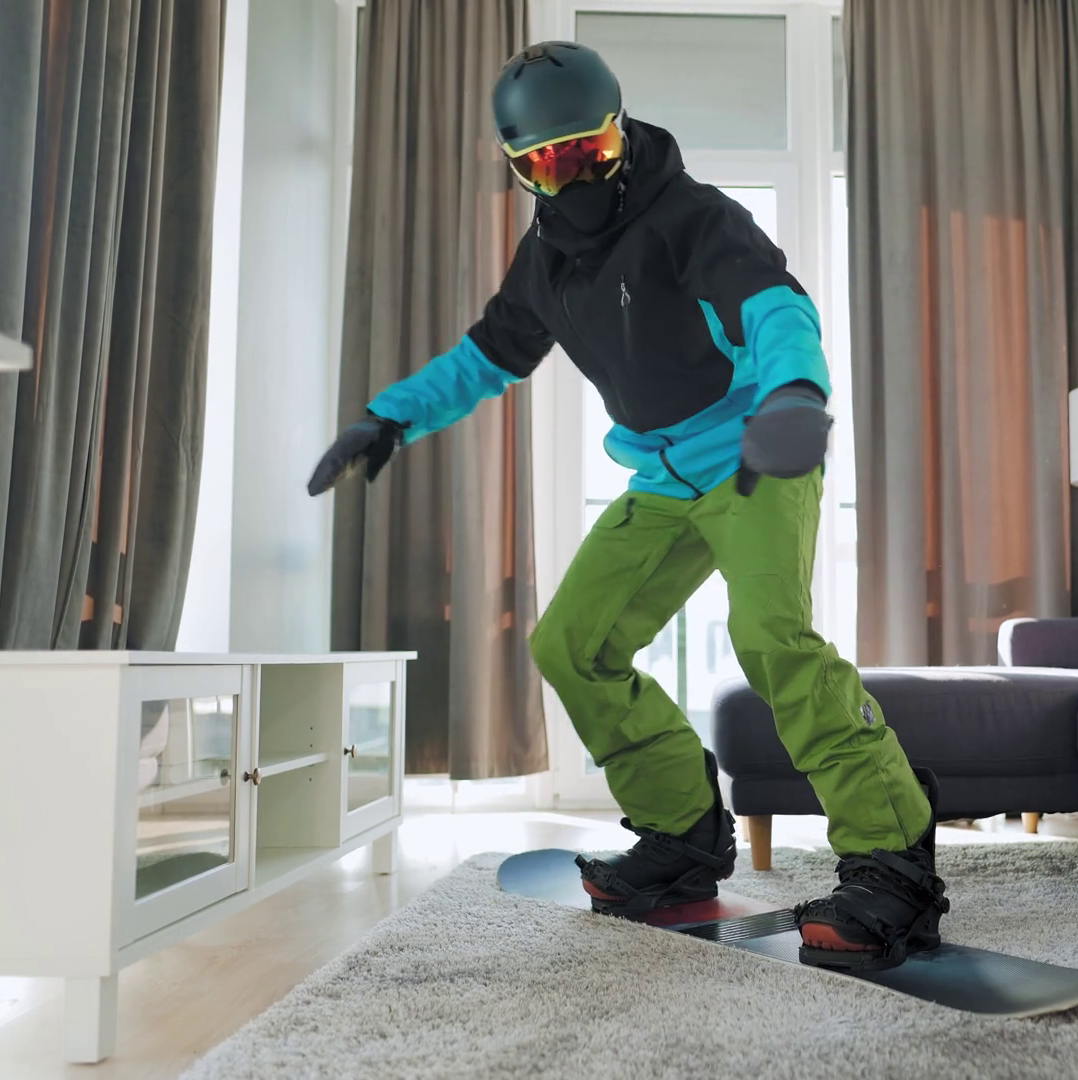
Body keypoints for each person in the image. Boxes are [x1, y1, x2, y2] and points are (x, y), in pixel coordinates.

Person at [307, 41, 947, 972]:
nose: (573, 180)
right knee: (571, 644)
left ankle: (894, 861)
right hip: (662, 478)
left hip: (755, 455)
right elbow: (487, 356)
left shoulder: (694, 218)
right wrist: (390, 417)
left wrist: (795, 393)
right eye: (547, 165)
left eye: (589, 153)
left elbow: (776, 309)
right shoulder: (546, 257)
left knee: (771, 638)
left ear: (620, 134)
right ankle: (682, 833)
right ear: (520, 169)